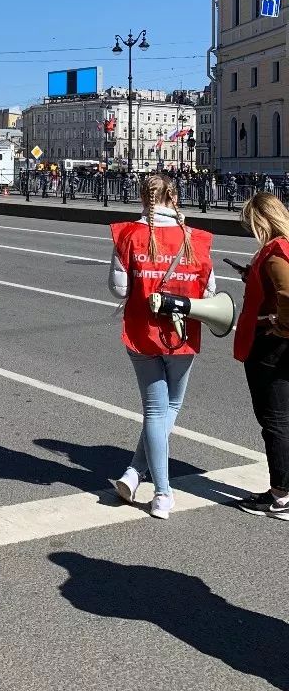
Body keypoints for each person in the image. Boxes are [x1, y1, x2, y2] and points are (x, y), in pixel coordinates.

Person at [109, 172, 214, 519]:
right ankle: (162, 493)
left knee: (156, 412)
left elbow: (119, 289)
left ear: (143, 198)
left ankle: (134, 473)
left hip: (141, 333)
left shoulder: (128, 234)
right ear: (176, 197)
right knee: (168, 409)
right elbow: (210, 292)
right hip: (182, 335)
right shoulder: (195, 238)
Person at [232, 194, 289, 519]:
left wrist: (280, 328)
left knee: (275, 420)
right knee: (282, 419)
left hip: (272, 346)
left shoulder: (275, 252)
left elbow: (287, 294)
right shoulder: (283, 248)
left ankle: (281, 496)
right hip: (279, 343)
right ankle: (282, 487)